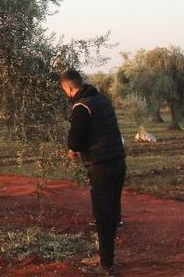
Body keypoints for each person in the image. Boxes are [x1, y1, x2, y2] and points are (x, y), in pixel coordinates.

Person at [61, 68, 126, 276]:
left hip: (101, 165)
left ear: (70, 87)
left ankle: (106, 265)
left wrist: (73, 148)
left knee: (102, 214)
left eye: (65, 90)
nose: (66, 94)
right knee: (112, 211)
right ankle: (105, 256)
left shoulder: (81, 107)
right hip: (118, 162)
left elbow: (76, 140)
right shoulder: (102, 100)